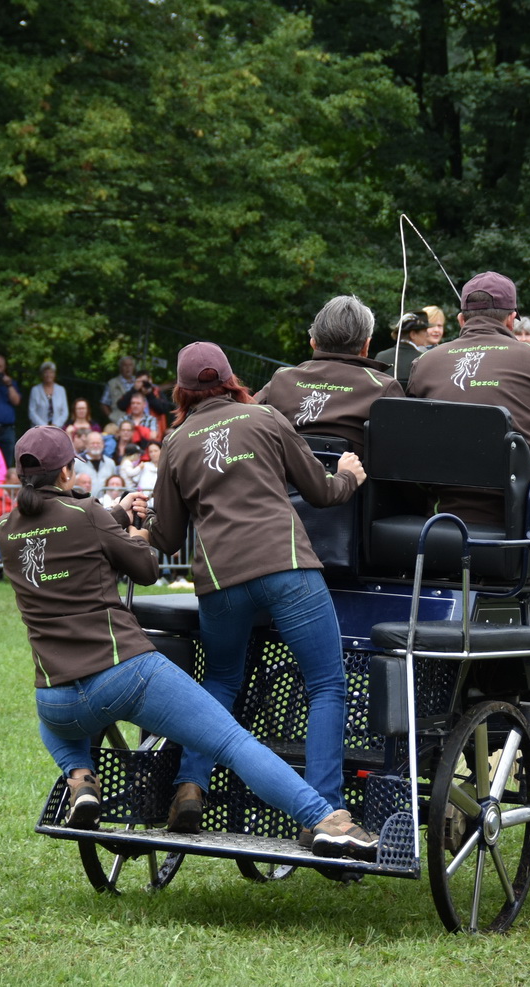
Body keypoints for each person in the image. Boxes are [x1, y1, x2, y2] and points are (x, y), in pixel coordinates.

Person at [0, 423, 375, 855]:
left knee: (55, 725)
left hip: (58, 699)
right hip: (125, 672)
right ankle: (322, 817)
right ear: (67, 473)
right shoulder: (87, 515)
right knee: (231, 741)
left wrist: (117, 513)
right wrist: (135, 534)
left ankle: (81, 777)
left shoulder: (5, 528)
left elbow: (68, 530)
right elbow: (144, 567)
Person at [145, 342, 367, 832]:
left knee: (220, 682)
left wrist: (142, 519)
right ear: (231, 379)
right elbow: (321, 492)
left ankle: (189, 787)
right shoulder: (265, 418)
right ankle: (326, 810)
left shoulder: (176, 442)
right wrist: (348, 476)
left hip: (220, 583)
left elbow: (164, 537)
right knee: (327, 685)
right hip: (286, 567)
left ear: (182, 391)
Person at [407, 271, 530, 639]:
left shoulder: (426, 363)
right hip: (522, 524)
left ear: (460, 320)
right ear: (511, 319)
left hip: (443, 518)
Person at [256, 295, 404, 457]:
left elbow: (246, 424)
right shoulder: (383, 387)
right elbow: (400, 452)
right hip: (358, 480)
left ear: (313, 343)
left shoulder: (281, 379)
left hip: (283, 480)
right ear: (366, 346)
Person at [373, 309, 431, 385]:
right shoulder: (423, 359)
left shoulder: (381, 357)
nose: (427, 335)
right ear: (413, 334)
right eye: (424, 331)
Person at [29, 362, 68, 429]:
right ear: (42, 375)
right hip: (39, 429)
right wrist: (44, 426)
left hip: (57, 429)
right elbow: (32, 412)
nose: (48, 375)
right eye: (46, 372)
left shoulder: (61, 390)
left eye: (51, 372)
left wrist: (55, 425)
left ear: (54, 374)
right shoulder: (35, 390)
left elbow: (65, 412)